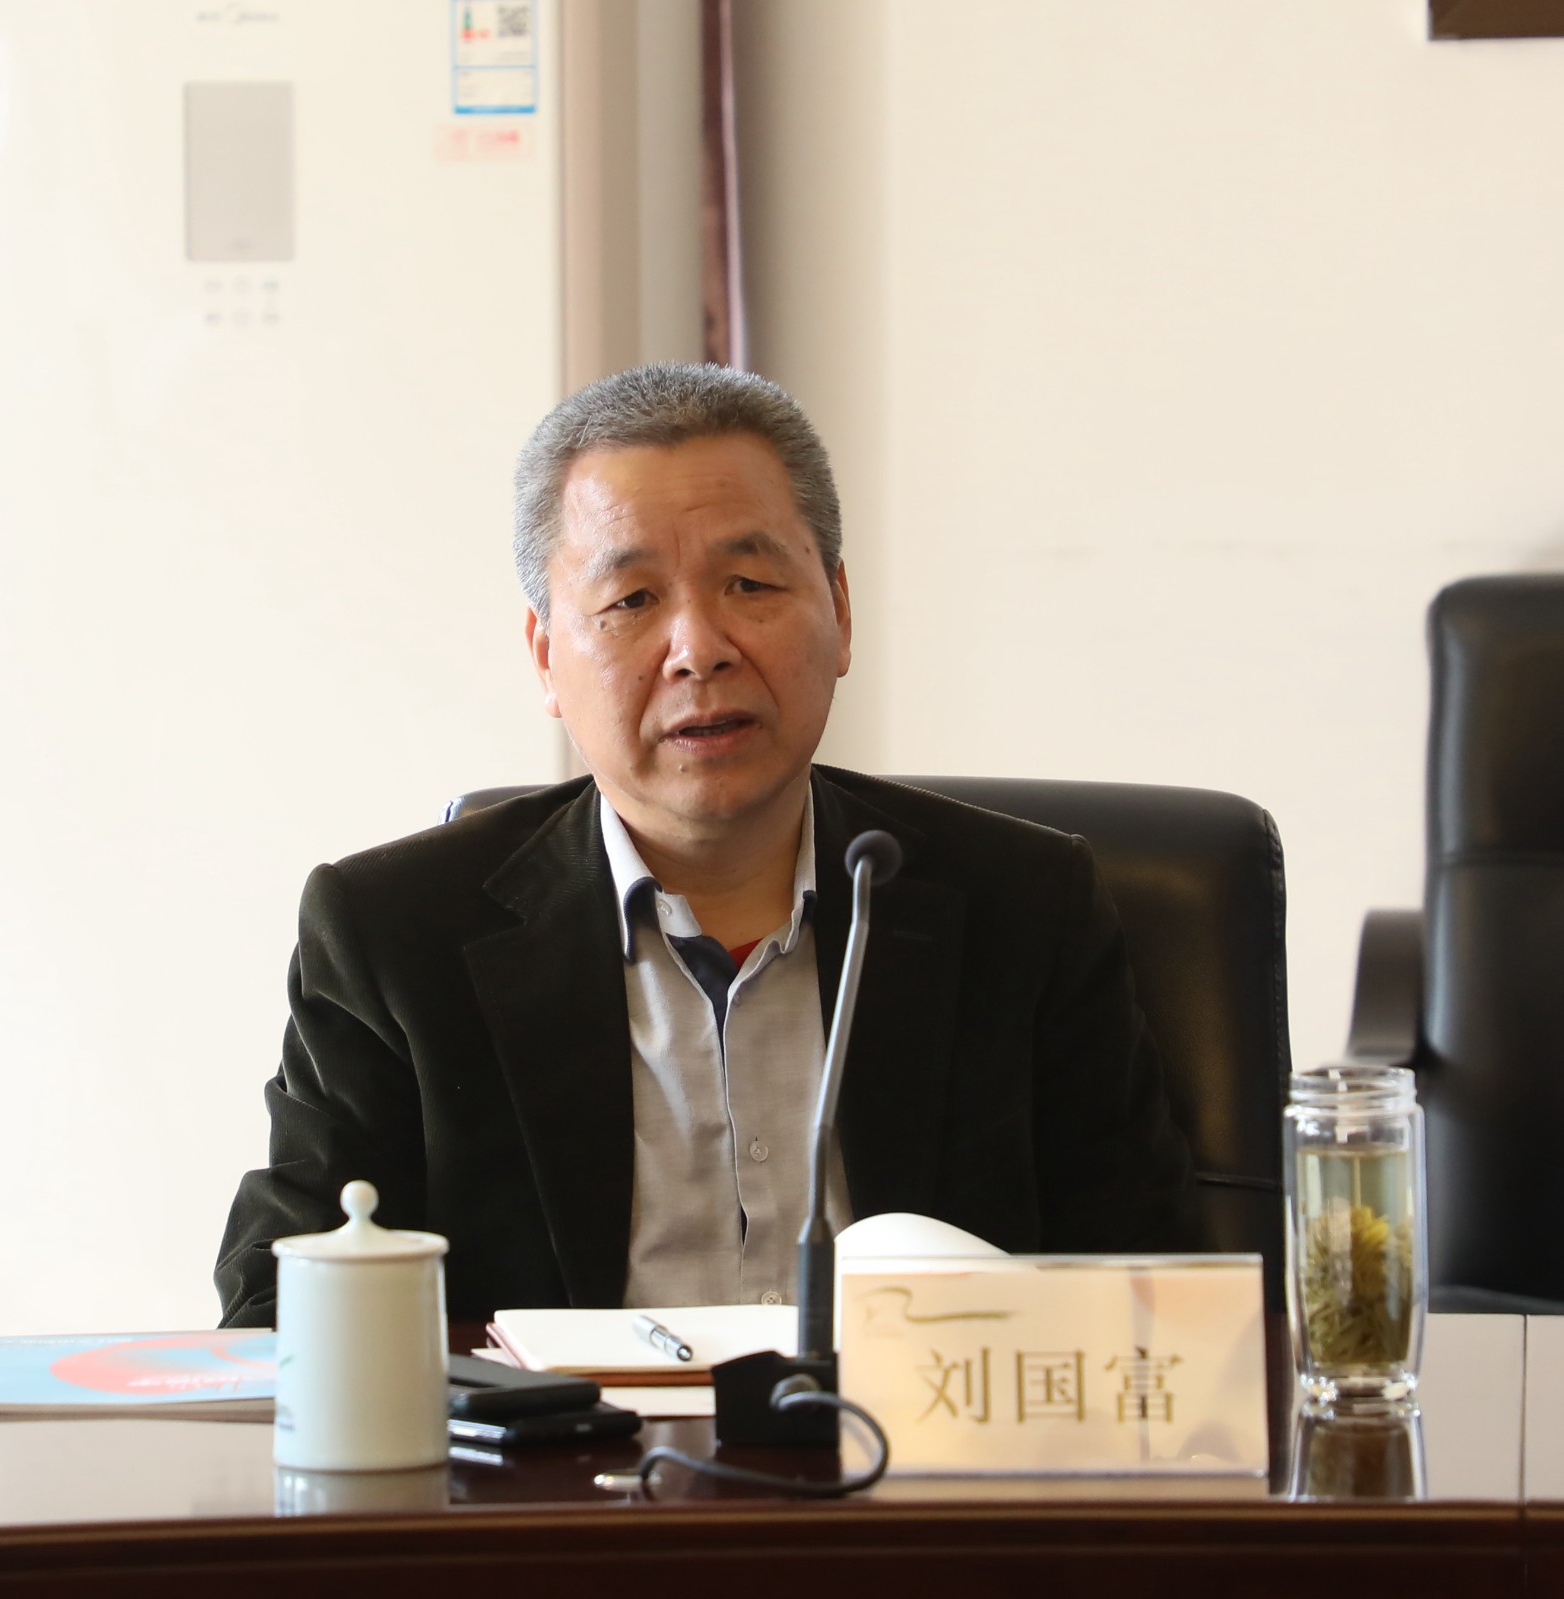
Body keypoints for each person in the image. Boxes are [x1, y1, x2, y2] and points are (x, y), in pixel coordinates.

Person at [216, 363, 1199, 1328]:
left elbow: (1164, 1306)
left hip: (909, 1439)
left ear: (840, 612)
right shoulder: (392, 936)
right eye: (631, 601)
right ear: (547, 658)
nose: (699, 648)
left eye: (749, 582)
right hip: (560, 1443)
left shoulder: (1027, 908)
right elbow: (279, 1317)